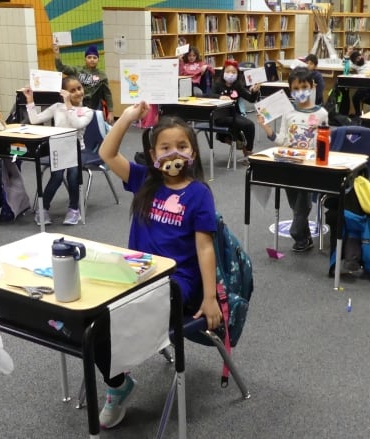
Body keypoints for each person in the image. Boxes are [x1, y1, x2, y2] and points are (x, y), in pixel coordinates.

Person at [97, 101, 222, 429]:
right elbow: (107, 154)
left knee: (124, 316)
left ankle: (116, 381)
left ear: (193, 152)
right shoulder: (143, 181)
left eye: (181, 146)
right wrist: (127, 117)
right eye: (164, 147)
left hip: (176, 282)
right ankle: (118, 384)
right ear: (153, 155)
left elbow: (205, 248)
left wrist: (210, 297)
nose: (173, 154)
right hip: (134, 273)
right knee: (92, 324)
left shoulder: (198, 194)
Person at [257, 67, 329, 252]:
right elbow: (283, 140)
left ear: (312, 86)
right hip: (290, 165)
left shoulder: (322, 114)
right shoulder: (288, 114)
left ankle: (297, 233)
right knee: (294, 205)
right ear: (290, 90)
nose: (300, 92)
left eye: (304, 87)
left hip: (310, 167)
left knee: (302, 206)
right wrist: (267, 129)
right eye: (295, 89)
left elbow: (325, 141)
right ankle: (305, 240)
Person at [23, 76, 93, 226]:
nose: (77, 92)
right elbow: (35, 120)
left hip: (76, 149)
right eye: (72, 90)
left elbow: (76, 124)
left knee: (74, 176)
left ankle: (74, 209)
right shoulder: (57, 107)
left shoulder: (87, 111)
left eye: (79, 88)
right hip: (58, 148)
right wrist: (30, 99)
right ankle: (42, 210)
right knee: (57, 177)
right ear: (64, 92)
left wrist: (68, 104)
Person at [208, 59, 261, 160]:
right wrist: (219, 97)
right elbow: (207, 95)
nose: (230, 74)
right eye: (228, 72)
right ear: (223, 72)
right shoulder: (218, 84)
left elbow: (251, 99)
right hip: (220, 116)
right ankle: (227, 138)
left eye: (233, 72)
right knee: (242, 125)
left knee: (250, 125)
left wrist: (254, 91)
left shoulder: (237, 86)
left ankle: (248, 151)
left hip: (234, 114)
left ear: (237, 74)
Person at [53, 44, 114, 124]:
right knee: (79, 126)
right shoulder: (77, 70)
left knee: (93, 129)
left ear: (98, 60)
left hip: (94, 107)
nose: (92, 60)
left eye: (95, 58)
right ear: (85, 59)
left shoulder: (102, 75)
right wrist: (57, 54)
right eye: (89, 57)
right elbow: (61, 67)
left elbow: (107, 94)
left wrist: (110, 112)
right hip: (78, 106)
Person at [342, 49, 370, 117]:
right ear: (355, 62)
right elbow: (344, 63)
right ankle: (358, 114)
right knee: (355, 98)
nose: (360, 58)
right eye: (357, 58)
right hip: (364, 85)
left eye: (360, 56)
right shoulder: (356, 66)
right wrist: (347, 54)